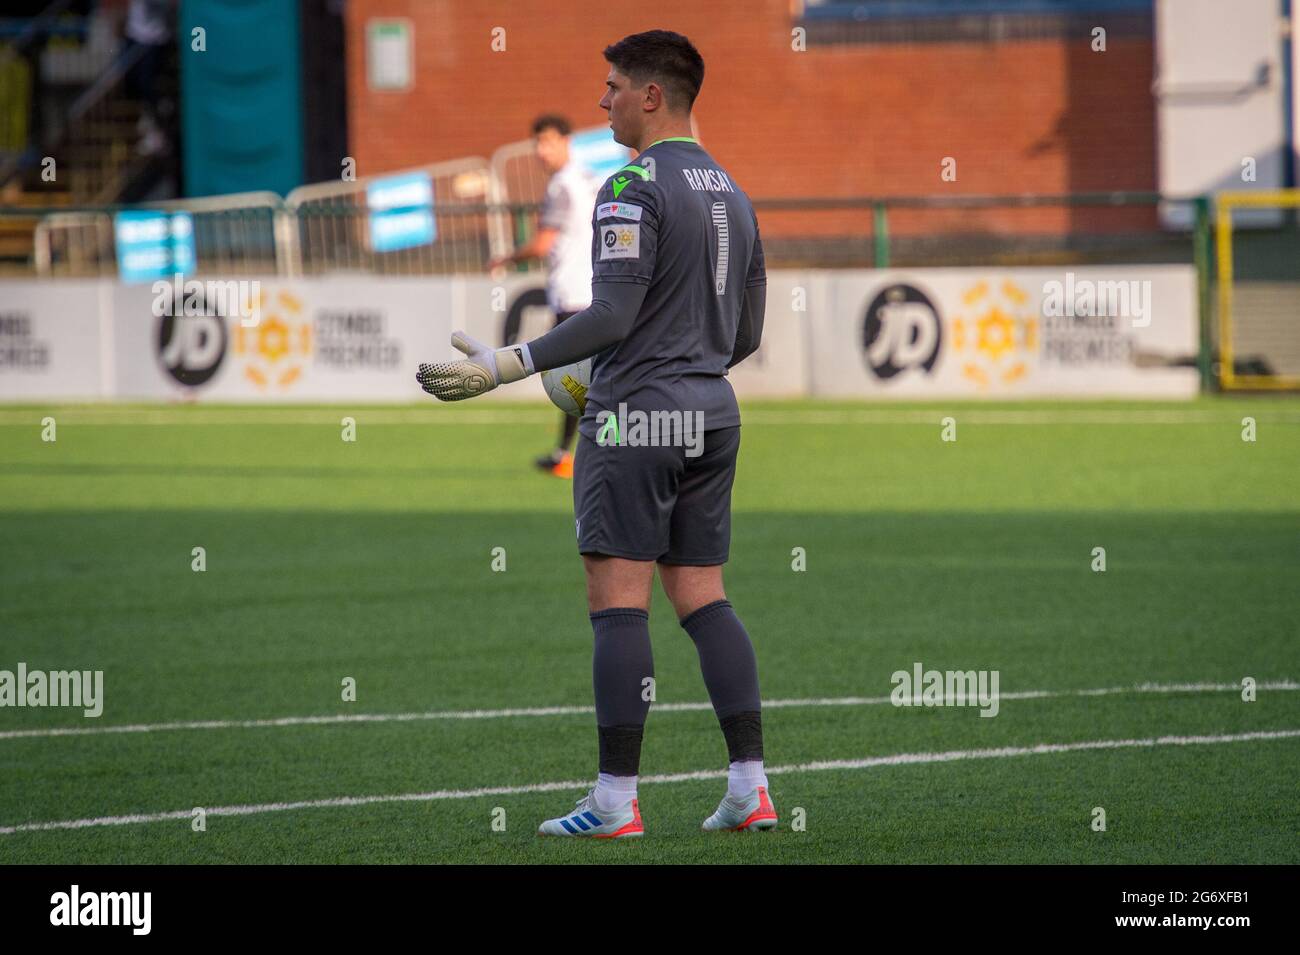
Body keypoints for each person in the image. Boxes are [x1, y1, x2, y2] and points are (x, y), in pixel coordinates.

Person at [417, 29, 770, 838]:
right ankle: (750, 787)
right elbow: (745, 332)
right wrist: (679, 362)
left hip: (637, 416)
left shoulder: (631, 183)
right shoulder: (736, 193)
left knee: (619, 604)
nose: (600, 99)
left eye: (611, 85)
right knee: (704, 596)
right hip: (711, 413)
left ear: (652, 96)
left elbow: (610, 313)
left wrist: (509, 365)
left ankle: (614, 803)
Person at [488, 115, 599, 479]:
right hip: (598, 293)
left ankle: (577, 456)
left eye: (547, 141)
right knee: (589, 381)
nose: (541, 151)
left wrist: (506, 258)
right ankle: (568, 453)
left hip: (572, 295)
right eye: (537, 143)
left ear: (567, 141)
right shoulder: (591, 179)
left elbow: (542, 243)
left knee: (570, 382)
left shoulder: (561, 187)